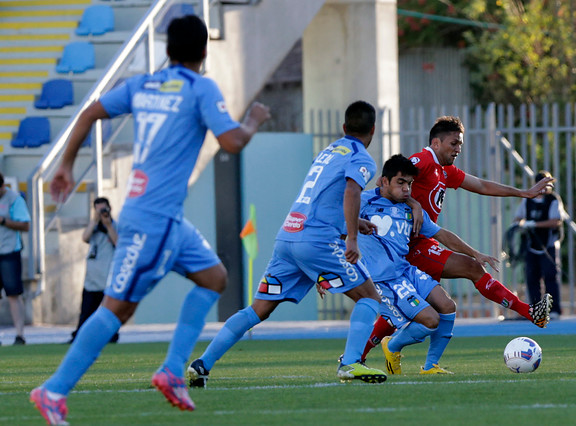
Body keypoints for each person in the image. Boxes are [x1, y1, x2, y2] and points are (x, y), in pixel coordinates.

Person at [30, 14, 270, 424]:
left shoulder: (144, 83)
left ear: (167, 50)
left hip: (165, 217)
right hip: (154, 219)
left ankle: (172, 372)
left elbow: (89, 112)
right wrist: (252, 120)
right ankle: (53, 390)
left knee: (214, 277)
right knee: (116, 309)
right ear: (204, 51)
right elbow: (231, 141)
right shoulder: (200, 88)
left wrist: (66, 165)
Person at [186, 100, 387, 389]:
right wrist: (352, 238)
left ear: (343, 127)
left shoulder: (327, 153)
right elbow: (352, 192)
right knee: (370, 298)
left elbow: (321, 201)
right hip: (316, 242)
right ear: (374, 129)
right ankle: (350, 363)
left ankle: (203, 363)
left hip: (289, 237)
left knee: (258, 310)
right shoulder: (362, 158)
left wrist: (348, 227)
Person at [361, 116, 554, 363]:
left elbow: (482, 185)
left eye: (460, 144)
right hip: (411, 247)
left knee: (406, 312)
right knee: (469, 270)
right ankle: (529, 312)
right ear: (437, 142)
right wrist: (413, 204)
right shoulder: (423, 160)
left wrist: (523, 193)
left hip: (423, 242)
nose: (458, 149)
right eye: (454, 143)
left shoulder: (445, 171)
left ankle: (367, 355)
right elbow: (392, 181)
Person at [352, 154, 499, 375]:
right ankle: (391, 346)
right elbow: (336, 222)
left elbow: (442, 235)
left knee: (448, 307)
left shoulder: (409, 209)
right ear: (383, 181)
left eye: (409, 184)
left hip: (405, 271)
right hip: (383, 279)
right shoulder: (363, 201)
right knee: (431, 320)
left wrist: (475, 253)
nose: (406, 189)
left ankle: (430, 366)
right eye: (400, 183)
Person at [513, 170, 564, 319]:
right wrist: (523, 224)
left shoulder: (553, 200)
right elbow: (517, 219)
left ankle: (554, 310)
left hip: (548, 245)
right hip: (531, 245)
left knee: (550, 276)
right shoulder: (527, 200)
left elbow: (556, 221)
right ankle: (536, 309)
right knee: (531, 277)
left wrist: (534, 224)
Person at [68, 197, 119, 344]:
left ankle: (110, 336)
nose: (102, 212)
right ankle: (79, 336)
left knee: (107, 312)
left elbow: (118, 243)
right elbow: (85, 237)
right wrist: (95, 220)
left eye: (104, 209)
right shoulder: (94, 226)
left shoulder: (115, 226)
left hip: (107, 276)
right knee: (86, 311)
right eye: (98, 210)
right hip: (92, 277)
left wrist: (108, 225)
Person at [0, 172, 31, 346]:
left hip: (9, 251)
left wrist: (3, 221)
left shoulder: (14, 199)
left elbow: (25, 225)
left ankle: (20, 334)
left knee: (13, 294)